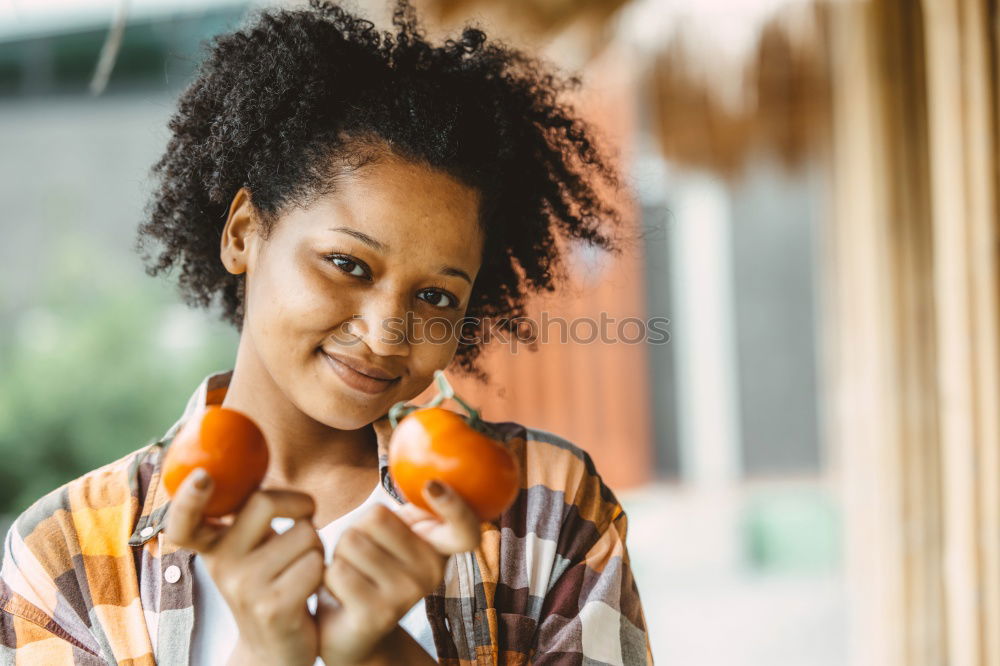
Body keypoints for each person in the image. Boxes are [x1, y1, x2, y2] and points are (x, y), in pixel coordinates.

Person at [0, 0, 654, 663]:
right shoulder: (64, 556)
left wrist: (382, 655)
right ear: (243, 233)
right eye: (347, 264)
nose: (386, 334)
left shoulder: (542, 508)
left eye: (435, 295)